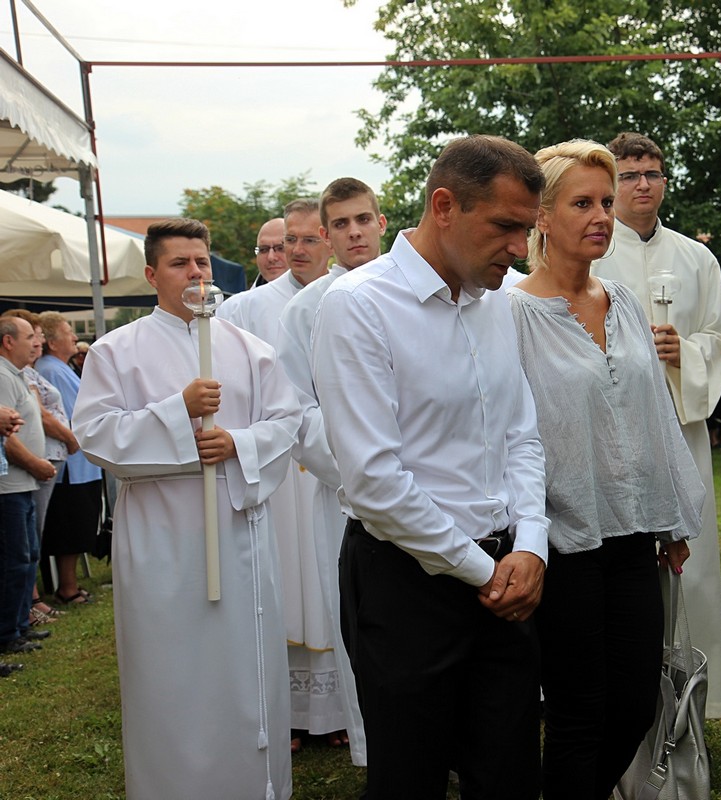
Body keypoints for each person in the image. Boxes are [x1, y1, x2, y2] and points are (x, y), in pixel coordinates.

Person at [310, 135, 549, 800]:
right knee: (408, 780)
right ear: (444, 206)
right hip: (406, 584)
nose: (518, 250)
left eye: (526, 230)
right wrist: (486, 571)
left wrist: (530, 547)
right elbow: (375, 481)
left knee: (508, 777)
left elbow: (521, 434)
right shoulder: (358, 306)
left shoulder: (497, 301)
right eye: (505, 227)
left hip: (506, 580)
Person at [73, 218, 302, 798]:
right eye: (180, 264)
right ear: (153, 274)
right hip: (162, 538)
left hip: (238, 528)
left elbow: (287, 421)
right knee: (172, 676)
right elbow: (96, 434)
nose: (195, 273)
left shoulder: (250, 349)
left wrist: (237, 444)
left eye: (202, 261)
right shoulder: (115, 351)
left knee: (243, 671)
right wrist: (178, 412)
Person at [504, 139, 703, 799]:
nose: (601, 216)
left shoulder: (621, 300)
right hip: (562, 542)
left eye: (606, 202)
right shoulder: (512, 313)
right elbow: (511, 432)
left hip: (633, 535)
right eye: (582, 202)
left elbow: (650, 414)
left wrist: (670, 515)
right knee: (576, 713)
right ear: (542, 216)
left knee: (634, 707)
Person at [591, 131, 721, 719]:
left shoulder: (696, 257)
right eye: (629, 176)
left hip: (681, 425)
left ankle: (695, 706)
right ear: (612, 184)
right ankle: (626, 707)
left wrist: (686, 353)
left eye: (652, 173)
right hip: (613, 433)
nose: (643, 184)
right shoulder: (593, 251)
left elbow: (720, 338)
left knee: (692, 566)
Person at [219, 199, 337, 754]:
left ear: (328, 239)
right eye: (280, 243)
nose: (289, 251)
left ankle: (338, 710)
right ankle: (288, 711)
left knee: (331, 583)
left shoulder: (346, 296)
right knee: (285, 582)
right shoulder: (245, 308)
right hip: (278, 470)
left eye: (302, 239)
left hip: (331, 464)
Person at [276, 176, 387, 764]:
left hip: (428, 484)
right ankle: (379, 753)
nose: (353, 232)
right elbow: (296, 409)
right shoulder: (304, 309)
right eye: (340, 224)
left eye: (362, 220)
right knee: (361, 627)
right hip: (343, 495)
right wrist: (362, 472)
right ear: (325, 235)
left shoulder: (410, 289)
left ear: (382, 223)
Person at [35, 312, 102, 606]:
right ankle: (67, 586)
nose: (74, 337)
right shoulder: (51, 370)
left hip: (81, 464)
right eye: (67, 332)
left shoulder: (59, 368)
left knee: (79, 523)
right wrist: (74, 438)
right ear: (51, 341)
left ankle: (69, 583)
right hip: (70, 465)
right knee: (71, 526)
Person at [0, 316, 56, 660]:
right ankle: (8, 632)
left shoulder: (16, 375)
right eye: (28, 337)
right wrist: (35, 462)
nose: (36, 343)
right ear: (8, 342)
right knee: (14, 559)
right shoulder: (2, 376)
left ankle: (18, 625)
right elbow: (8, 437)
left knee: (28, 556)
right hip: (10, 485)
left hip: (23, 483)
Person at [252, 217, 289, 286]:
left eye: (280, 248)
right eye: (263, 249)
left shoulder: (313, 295)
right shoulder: (247, 297)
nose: (271, 258)